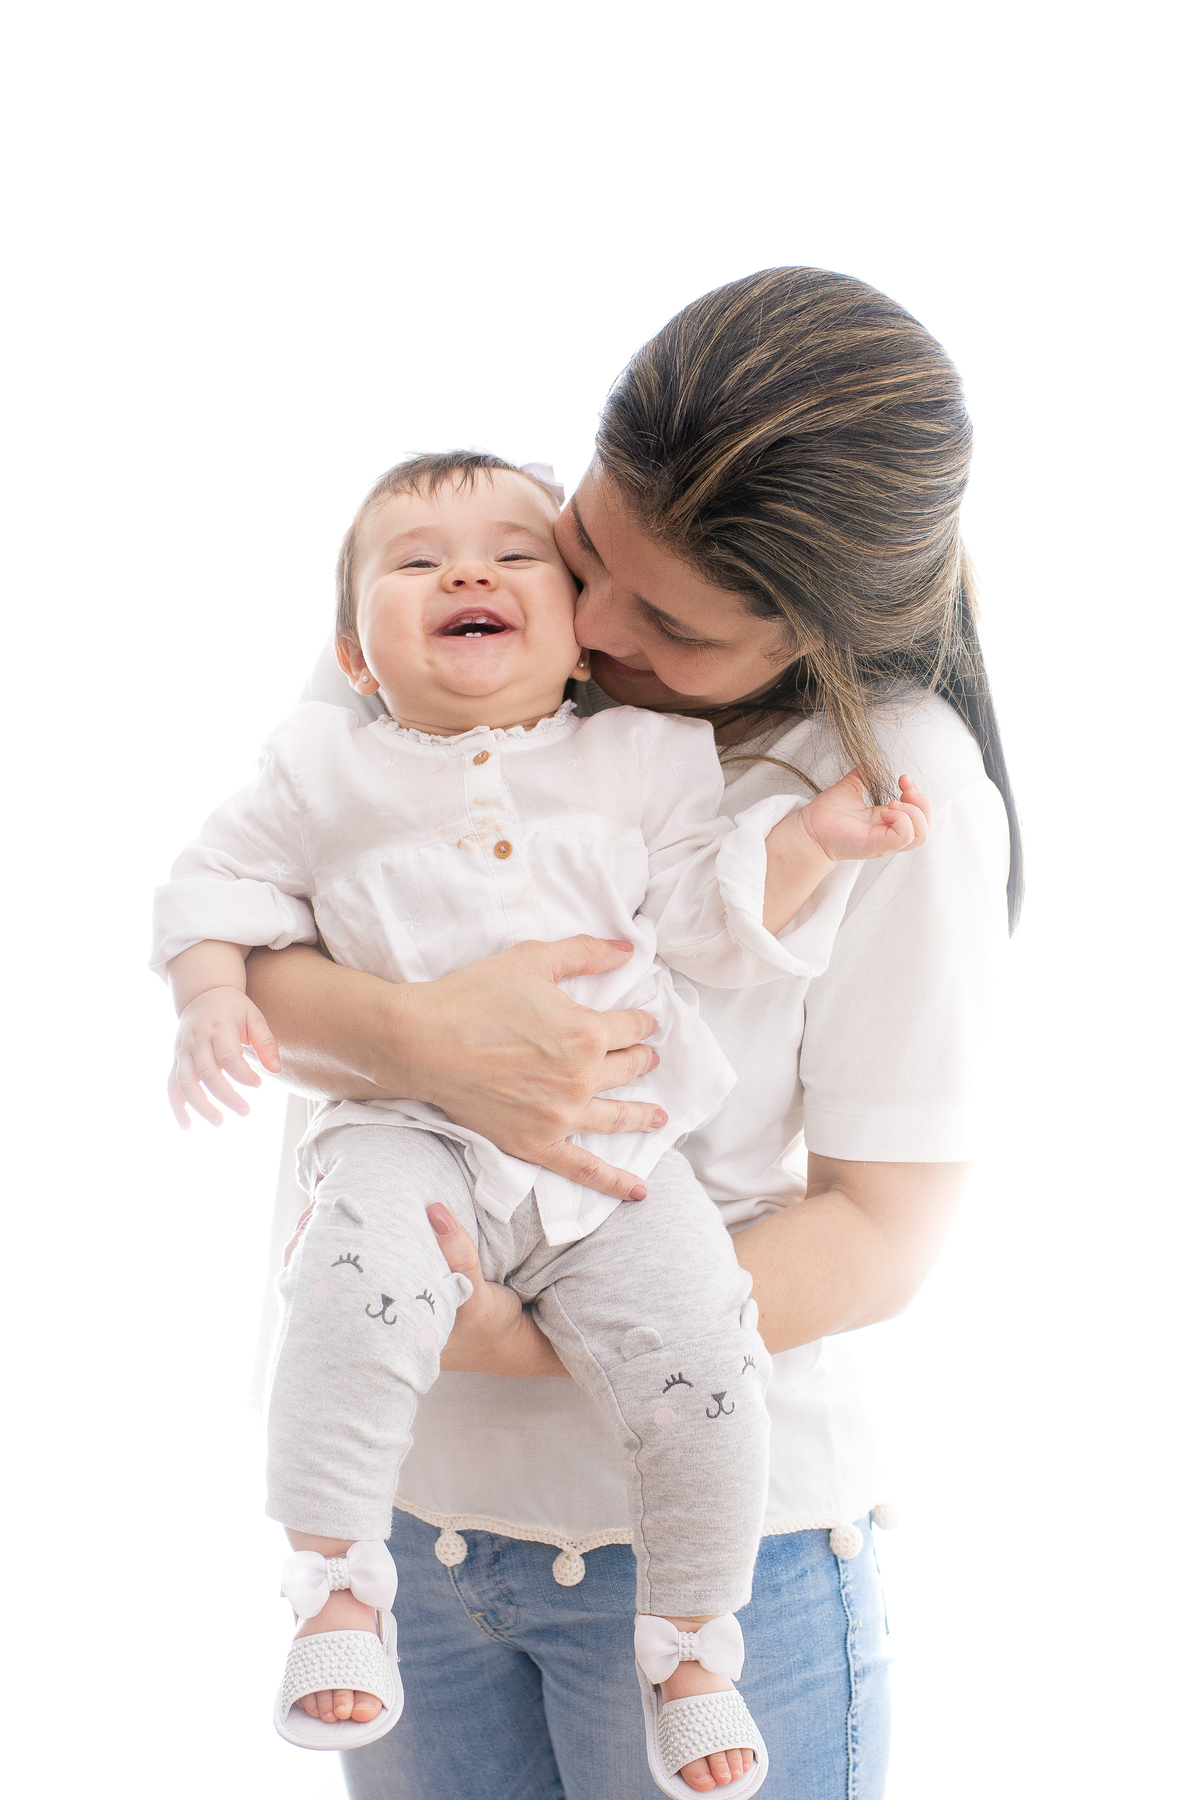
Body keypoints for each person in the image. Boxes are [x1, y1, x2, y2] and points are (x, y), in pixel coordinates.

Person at [243, 268, 1018, 1800]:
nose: (586, 624)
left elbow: (880, 1228)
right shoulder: (463, 612)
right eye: (588, 544)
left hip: (718, 1579)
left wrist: (523, 1347)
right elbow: (256, 959)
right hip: (413, 1543)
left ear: (813, 640)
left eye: (671, 624)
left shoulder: (887, 794)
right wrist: (421, 1036)